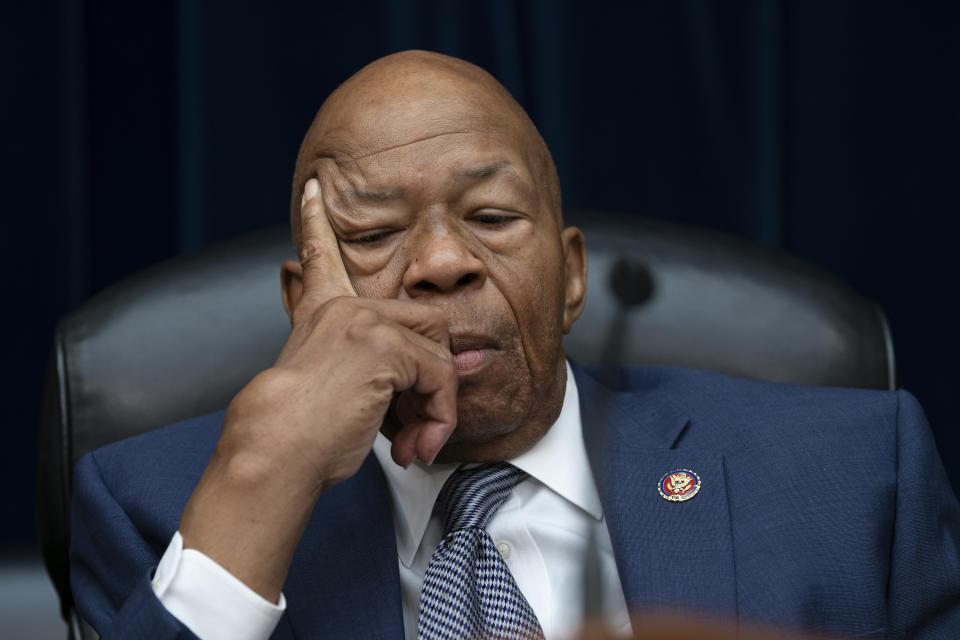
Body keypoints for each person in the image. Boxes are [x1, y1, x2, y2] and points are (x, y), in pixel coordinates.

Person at [70, 50, 960, 640]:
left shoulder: (855, 477)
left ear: (571, 276)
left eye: (491, 218)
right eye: (374, 233)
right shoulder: (158, 507)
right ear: (306, 308)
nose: (444, 263)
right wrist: (264, 470)